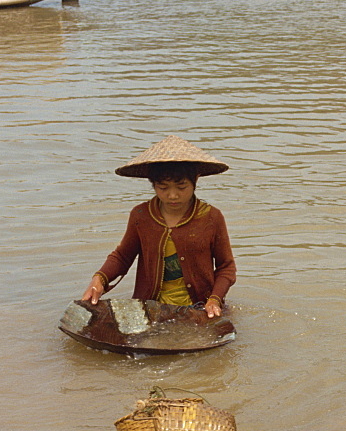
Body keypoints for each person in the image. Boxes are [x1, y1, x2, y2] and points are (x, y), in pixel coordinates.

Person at [81, 135, 236, 318]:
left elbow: (226, 267)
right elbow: (123, 256)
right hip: (150, 308)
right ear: (153, 185)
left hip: (199, 308)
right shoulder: (141, 215)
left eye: (181, 187)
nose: (172, 195)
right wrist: (99, 278)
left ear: (195, 180)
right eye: (163, 188)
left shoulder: (211, 217)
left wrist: (214, 300)